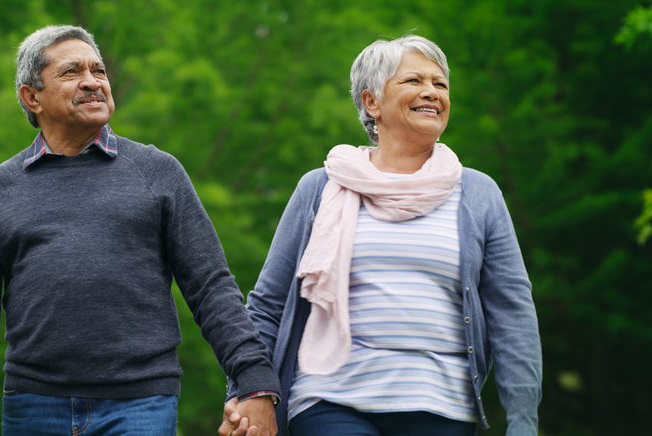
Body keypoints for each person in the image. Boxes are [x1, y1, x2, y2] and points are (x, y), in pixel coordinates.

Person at [0, 24, 280, 436]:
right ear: (32, 97)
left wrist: (255, 383)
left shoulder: (158, 173)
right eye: (71, 72)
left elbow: (211, 287)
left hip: (142, 404)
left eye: (98, 71)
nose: (92, 82)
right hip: (33, 406)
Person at [219, 35, 542, 436]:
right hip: (328, 398)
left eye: (440, 84)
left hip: (441, 404)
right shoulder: (321, 188)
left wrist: (524, 423)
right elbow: (267, 305)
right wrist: (250, 392)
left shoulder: (477, 194)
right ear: (372, 102)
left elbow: (513, 315)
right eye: (413, 81)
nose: (431, 92)